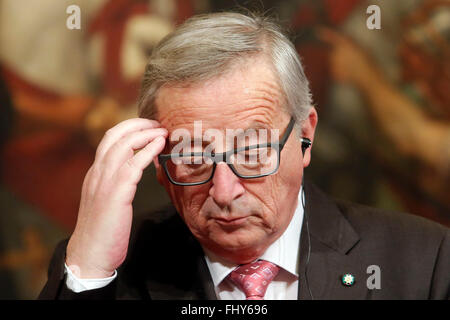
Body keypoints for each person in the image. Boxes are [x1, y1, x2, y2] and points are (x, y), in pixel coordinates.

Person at [39, 11, 449, 300]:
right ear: (159, 164)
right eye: (193, 156)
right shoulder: (105, 272)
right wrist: (89, 268)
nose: (224, 191)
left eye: (252, 151)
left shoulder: (424, 261)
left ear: (305, 135)